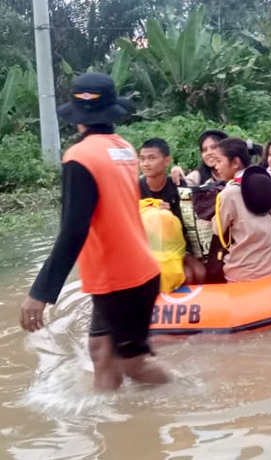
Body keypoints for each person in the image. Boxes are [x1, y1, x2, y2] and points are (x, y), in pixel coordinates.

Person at [19, 73, 168, 391]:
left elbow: (73, 229)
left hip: (120, 279)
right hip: (132, 271)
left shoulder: (80, 157)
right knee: (101, 352)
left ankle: (187, 395)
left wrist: (41, 293)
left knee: (131, 363)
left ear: (77, 117)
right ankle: (110, 424)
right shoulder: (124, 148)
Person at [213, 138, 271, 282]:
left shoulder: (228, 194)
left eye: (218, 161)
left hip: (240, 271)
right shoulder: (267, 180)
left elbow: (218, 230)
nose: (216, 167)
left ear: (235, 162)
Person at [139, 137, 206, 284]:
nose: (145, 164)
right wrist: (151, 210)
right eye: (142, 159)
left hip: (177, 245)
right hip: (149, 247)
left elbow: (187, 219)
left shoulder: (177, 184)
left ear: (167, 161)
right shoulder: (136, 187)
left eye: (151, 158)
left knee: (200, 273)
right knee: (186, 276)